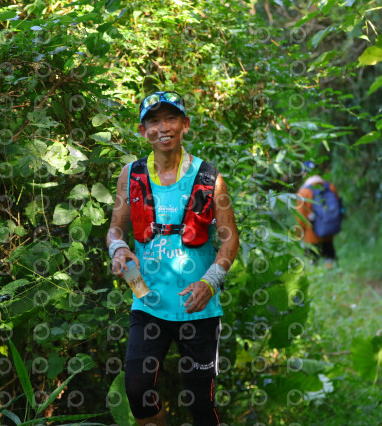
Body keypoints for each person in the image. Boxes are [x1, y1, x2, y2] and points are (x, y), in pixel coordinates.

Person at [106, 91, 239, 426]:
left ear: (185, 124)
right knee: (137, 390)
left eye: (171, 119)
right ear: (143, 130)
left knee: (200, 402)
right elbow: (115, 230)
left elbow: (230, 240)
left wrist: (210, 283)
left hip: (198, 307)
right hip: (147, 302)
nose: (162, 127)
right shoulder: (131, 175)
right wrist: (118, 249)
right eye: (153, 121)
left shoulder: (209, 178)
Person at [295, 161, 341, 267]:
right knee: (329, 258)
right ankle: (332, 272)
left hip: (311, 235)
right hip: (328, 231)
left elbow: (301, 218)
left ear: (304, 174)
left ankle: (318, 272)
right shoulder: (330, 187)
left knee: (313, 263)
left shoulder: (303, 192)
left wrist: (299, 234)